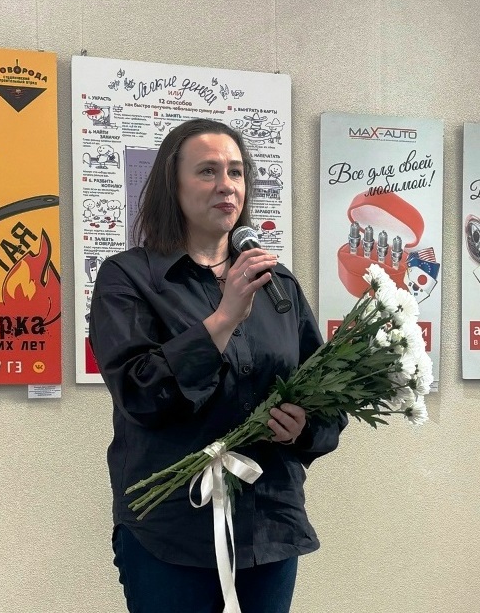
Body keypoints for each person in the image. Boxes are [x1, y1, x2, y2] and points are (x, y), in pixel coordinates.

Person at [89, 118, 347, 613]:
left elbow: (325, 398)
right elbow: (140, 393)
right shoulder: (129, 277)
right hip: (171, 528)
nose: (226, 185)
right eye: (207, 171)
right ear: (173, 185)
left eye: (235, 171)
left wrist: (302, 427)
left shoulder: (277, 283)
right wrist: (224, 319)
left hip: (268, 523)